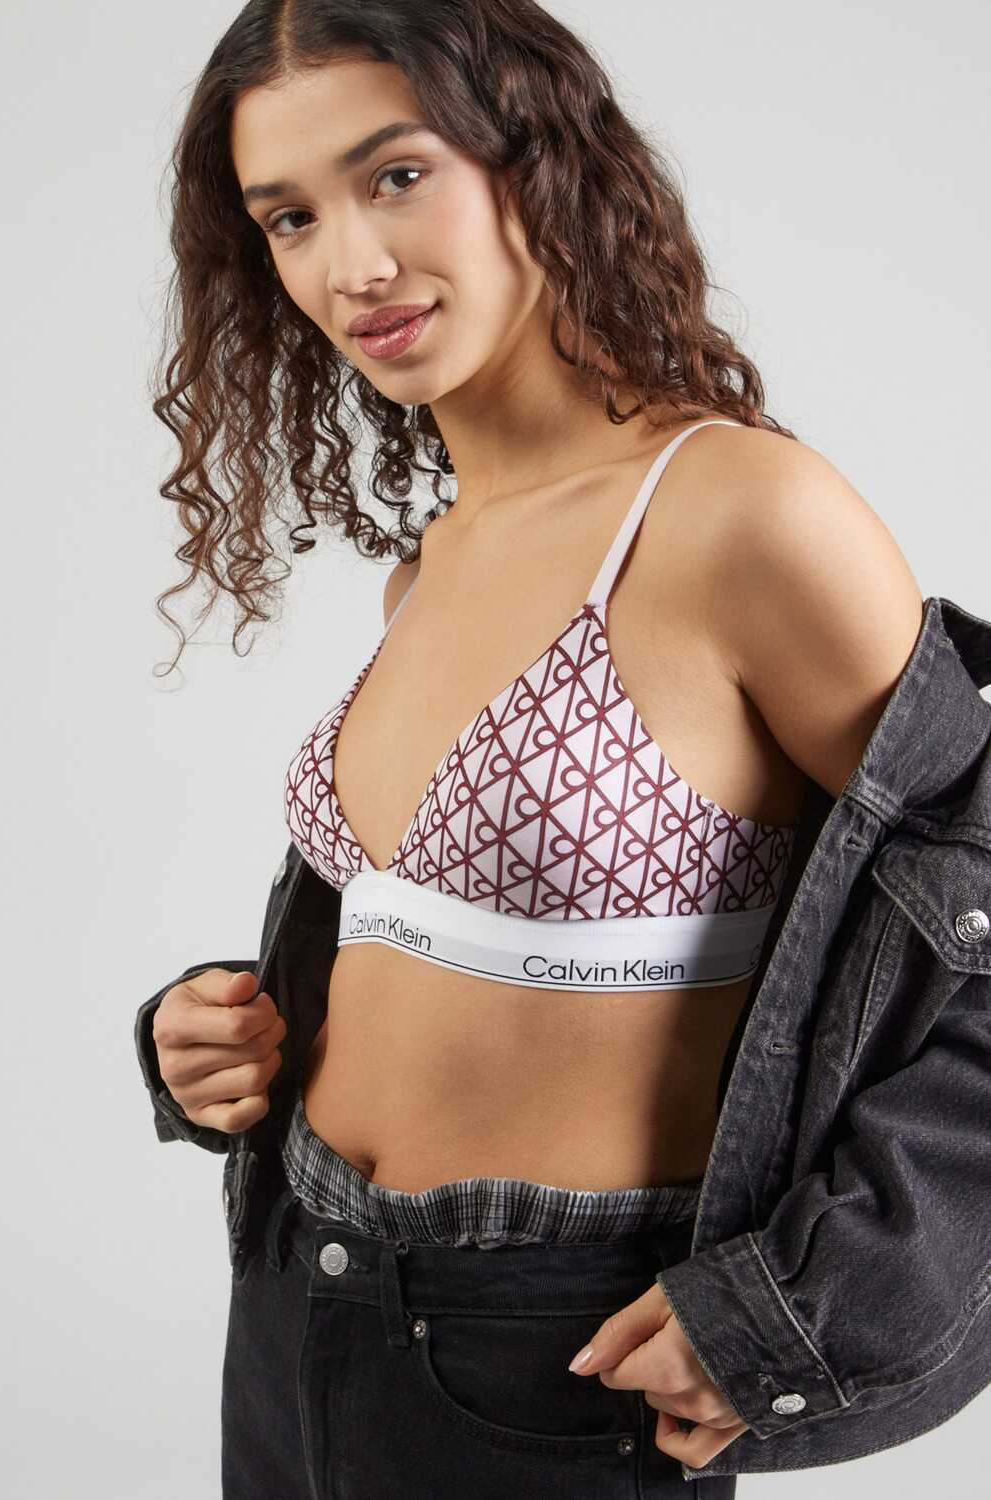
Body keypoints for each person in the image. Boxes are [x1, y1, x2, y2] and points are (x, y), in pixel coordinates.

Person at [145, 2, 924, 1495]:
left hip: (554, 1350)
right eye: (289, 217)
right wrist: (215, 1035)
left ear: (537, 158)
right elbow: (439, 952)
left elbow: (972, 933)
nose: (350, 266)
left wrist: (808, 1306)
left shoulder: (740, 516)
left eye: (396, 176)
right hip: (294, 1290)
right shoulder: (432, 562)